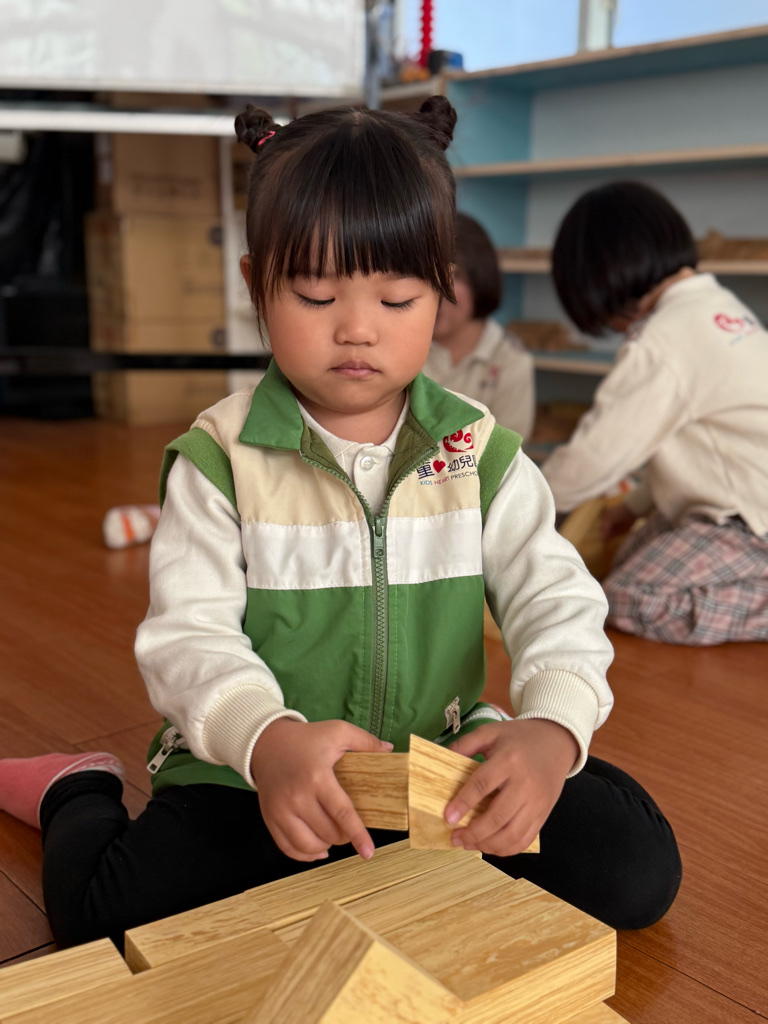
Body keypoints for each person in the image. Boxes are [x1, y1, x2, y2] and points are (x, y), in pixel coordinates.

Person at [0, 102, 680, 951]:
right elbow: (188, 638)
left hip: (434, 763)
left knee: (635, 869)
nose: (357, 327)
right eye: (316, 294)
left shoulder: (477, 450)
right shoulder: (219, 459)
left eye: (397, 297)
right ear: (256, 283)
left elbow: (557, 600)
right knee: (103, 917)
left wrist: (549, 732)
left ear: (441, 289)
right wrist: (267, 742)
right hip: (257, 775)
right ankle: (76, 789)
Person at [542, 181, 768, 645]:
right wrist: (635, 505)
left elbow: (595, 457)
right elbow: (705, 446)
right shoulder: (718, 308)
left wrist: (518, 499)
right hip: (735, 502)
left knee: (628, 596)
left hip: (748, 524)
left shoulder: (663, 340)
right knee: (625, 560)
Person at [424, 212, 535, 437]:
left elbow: (510, 449)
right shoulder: (402, 348)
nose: (436, 292)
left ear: (479, 277)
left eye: (453, 275)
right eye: (424, 275)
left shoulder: (510, 361)